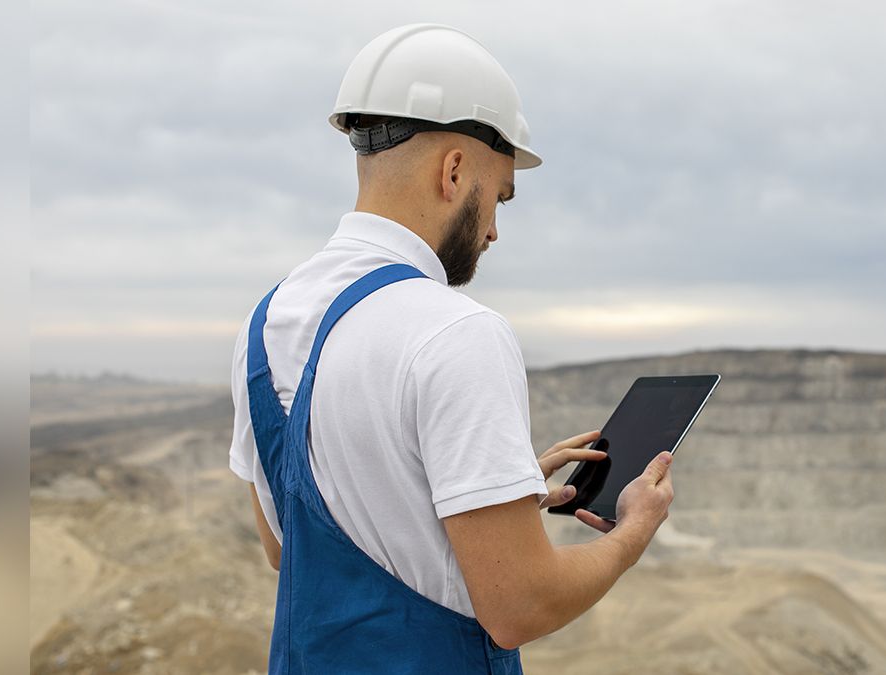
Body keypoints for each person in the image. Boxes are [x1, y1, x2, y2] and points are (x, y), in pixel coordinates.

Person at [228, 23, 674, 674]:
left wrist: (496, 486)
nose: (493, 229)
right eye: (498, 196)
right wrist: (635, 528)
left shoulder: (263, 323)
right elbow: (520, 605)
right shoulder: (457, 332)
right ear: (455, 169)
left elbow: (286, 545)